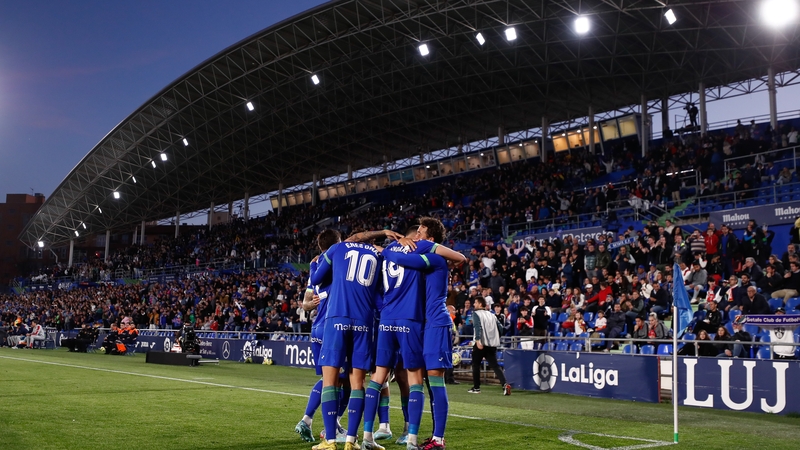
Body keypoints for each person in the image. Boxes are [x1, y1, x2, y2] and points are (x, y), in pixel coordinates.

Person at [384, 217, 467, 450]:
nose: (415, 236)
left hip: (436, 324)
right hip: (422, 324)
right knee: (422, 381)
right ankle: (428, 436)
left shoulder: (433, 258)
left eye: (419, 233)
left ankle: (439, 439)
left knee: (436, 381)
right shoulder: (422, 258)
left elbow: (397, 257)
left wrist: (385, 249)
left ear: (430, 239)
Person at [310, 229, 393, 450]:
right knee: (358, 384)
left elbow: (316, 278)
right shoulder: (378, 256)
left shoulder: (337, 248)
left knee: (331, 380)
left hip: (337, 317)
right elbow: (379, 296)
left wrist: (317, 265)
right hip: (364, 322)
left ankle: (329, 440)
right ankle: (351, 441)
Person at [295, 230, 340, 444]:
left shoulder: (315, 266)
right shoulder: (339, 262)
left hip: (317, 328)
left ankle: (307, 420)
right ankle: (334, 425)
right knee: (346, 380)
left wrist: (307, 305)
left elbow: (305, 302)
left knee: (328, 379)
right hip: (333, 328)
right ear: (338, 244)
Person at [468, 296, 510, 395]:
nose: (474, 304)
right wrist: (495, 337)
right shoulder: (492, 315)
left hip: (481, 343)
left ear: (480, 304)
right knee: (495, 366)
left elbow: (477, 327)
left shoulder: (476, 314)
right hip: (492, 344)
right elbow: (501, 328)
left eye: (475, 302)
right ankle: (505, 384)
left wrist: (478, 340)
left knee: (476, 365)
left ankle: (476, 388)